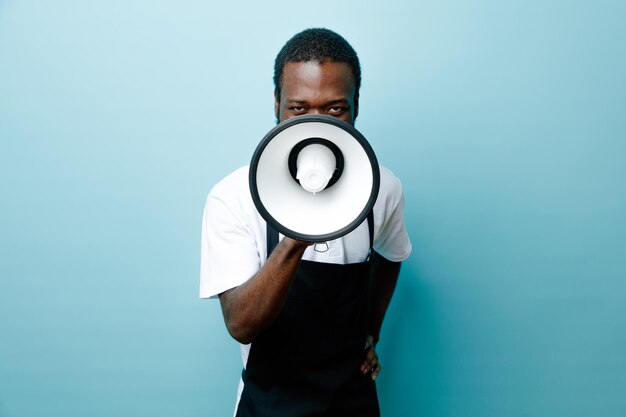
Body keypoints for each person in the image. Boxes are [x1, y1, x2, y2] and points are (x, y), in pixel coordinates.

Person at [200, 28, 412, 417]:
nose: (318, 126)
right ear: (277, 104)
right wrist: (299, 230)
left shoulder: (383, 188)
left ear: (356, 106)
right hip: (268, 406)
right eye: (298, 109)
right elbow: (241, 324)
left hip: (352, 403)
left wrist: (371, 331)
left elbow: (394, 254)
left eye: (335, 109)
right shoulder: (231, 197)